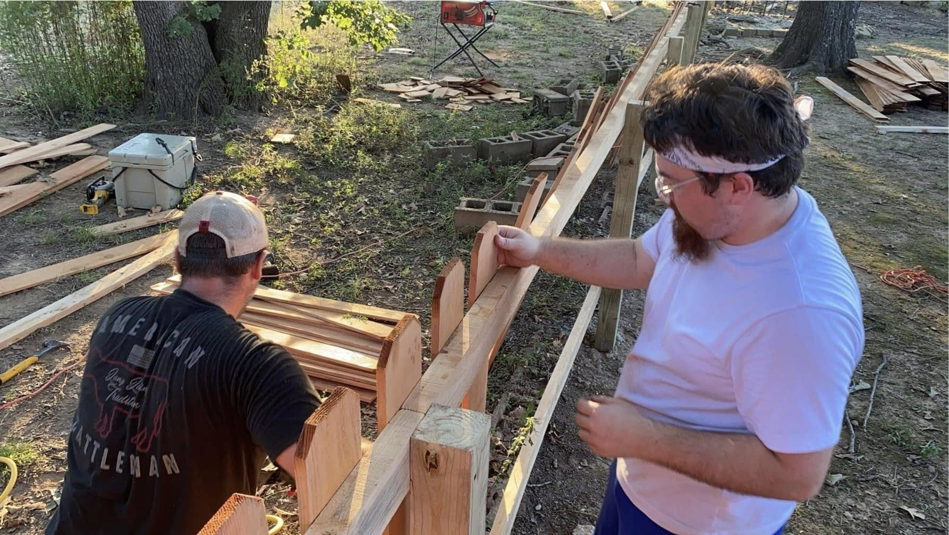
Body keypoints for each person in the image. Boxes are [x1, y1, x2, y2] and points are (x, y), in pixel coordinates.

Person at [494, 63, 863, 535]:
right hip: (641, 479)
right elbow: (638, 258)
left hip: (696, 522)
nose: (664, 196)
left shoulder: (799, 315)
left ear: (738, 186)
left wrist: (645, 439)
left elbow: (796, 474)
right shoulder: (716, 216)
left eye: (672, 181)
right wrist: (540, 251)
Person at [48, 191, 320, 534]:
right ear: (258, 266)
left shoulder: (116, 317)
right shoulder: (257, 365)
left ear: (177, 259)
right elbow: (324, 469)